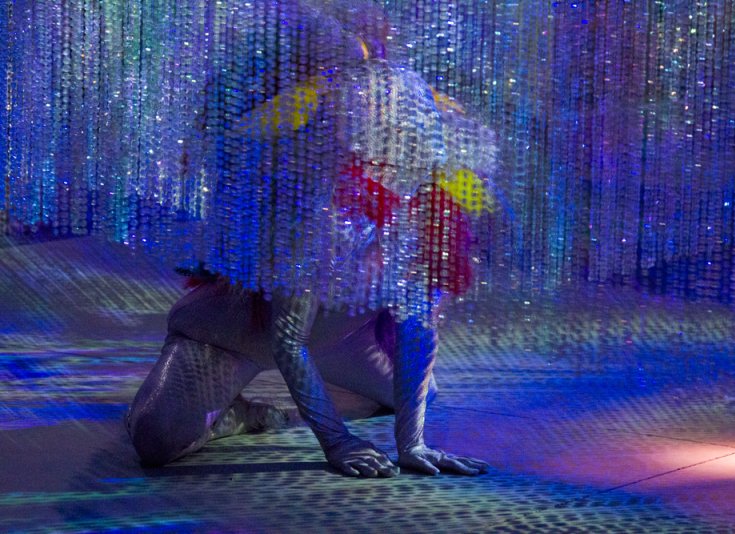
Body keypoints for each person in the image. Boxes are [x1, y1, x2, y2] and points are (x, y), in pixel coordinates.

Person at [127, 0, 494, 477]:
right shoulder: (319, 210)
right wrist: (337, 441)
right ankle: (243, 414)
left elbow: (419, 322)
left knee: (421, 389)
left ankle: (342, 387)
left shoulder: (428, 207)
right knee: (156, 437)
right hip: (240, 337)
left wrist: (413, 443)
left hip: (345, 335)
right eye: (391, 125)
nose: (410, 139)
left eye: (420, 125)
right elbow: (285, 339)